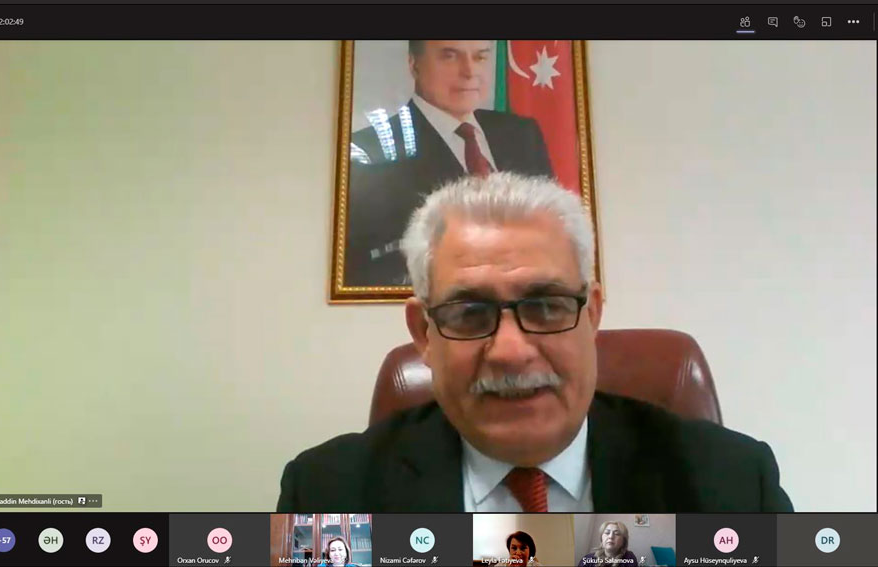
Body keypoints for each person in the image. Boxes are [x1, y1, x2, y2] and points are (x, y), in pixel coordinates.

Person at [277, 172, 794, 513]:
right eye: (469, 313)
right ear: (424, 334)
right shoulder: (325, 494)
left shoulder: (733, 485)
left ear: (592, 314)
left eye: (545, 306)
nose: (510, 351)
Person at [344, 40, 553, 287]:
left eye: (480, 57)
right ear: (414, 64)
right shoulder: (369, 151)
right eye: (450, 56)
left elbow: (550, 234)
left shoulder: (522, 133)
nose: (469, 72)